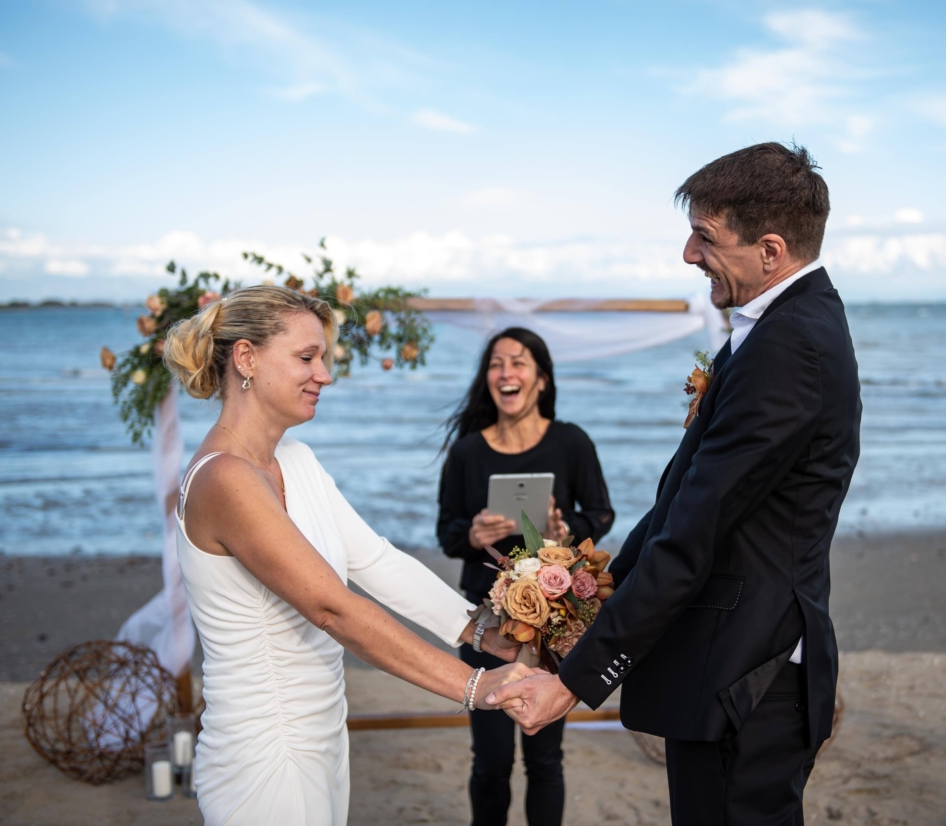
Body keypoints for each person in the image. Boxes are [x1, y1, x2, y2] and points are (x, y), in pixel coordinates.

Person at [488, 143, 862, 825]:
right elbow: (678, 505)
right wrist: (595, 595)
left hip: (746, 676)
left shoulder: (790, 347)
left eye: (705, 236)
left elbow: (697, 530)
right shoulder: (777, 328)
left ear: (771, 251)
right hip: (736, 666)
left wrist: (574, 682)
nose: (688, 253)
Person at [162, 286, 532, 826]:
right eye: (307, 357)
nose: (325, 375)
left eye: (324, 359)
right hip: (265, 750)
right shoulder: (224, 479)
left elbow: (377, 562)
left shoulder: (297, 459)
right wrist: (474, 686)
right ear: (246, 358)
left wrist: (481, 631)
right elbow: (332, 608)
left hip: (325, 732)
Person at [437, 326, 614, 826]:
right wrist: (472, 535)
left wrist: (565, 527)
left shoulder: (571, 441)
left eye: (518, 362)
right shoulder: (468, 451)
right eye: (496, 363)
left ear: (541, 378)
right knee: (490, 760)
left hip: (554, 621)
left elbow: (600, 514)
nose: (505, 373)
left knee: (543, 757)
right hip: (485, 622)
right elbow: (446, 534)